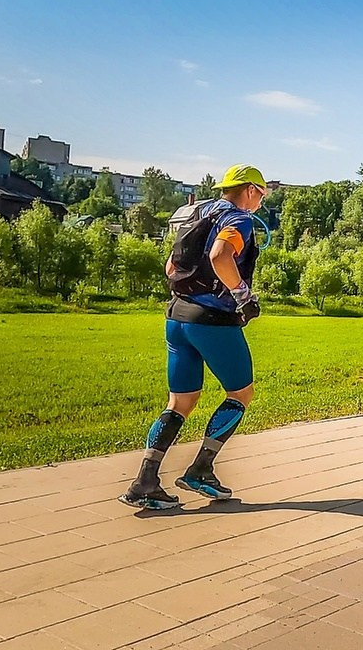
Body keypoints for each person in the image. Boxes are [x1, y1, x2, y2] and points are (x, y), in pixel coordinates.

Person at [119, 164, 268, 510]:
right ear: (249, 190)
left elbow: (171, 267)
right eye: (261, 194)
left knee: (180, 402)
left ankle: (145, 481)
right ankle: (200, 470)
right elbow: (220, 255)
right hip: (212, 321)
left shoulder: (197, 213)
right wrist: (243, 296)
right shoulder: (239, 220)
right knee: (241, 393)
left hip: (176, 316)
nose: (261, 201)